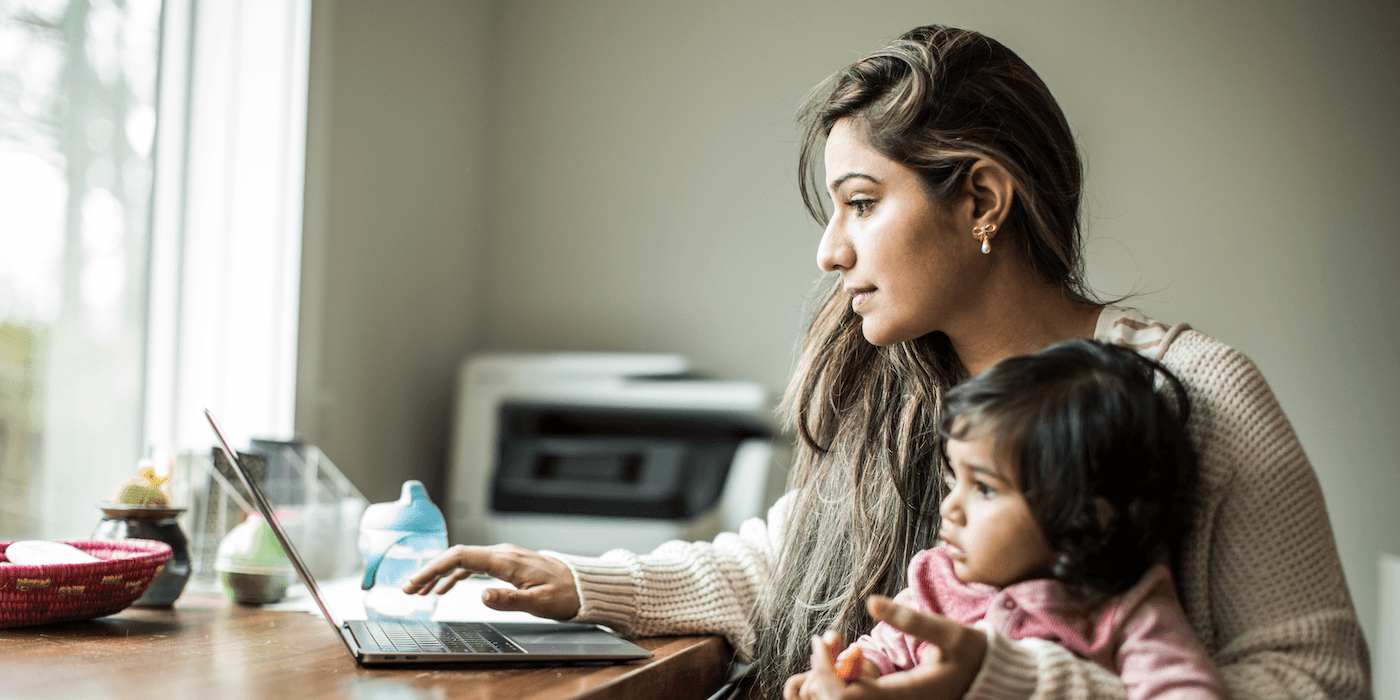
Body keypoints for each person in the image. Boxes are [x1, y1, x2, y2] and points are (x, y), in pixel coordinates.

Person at [404, 25, 1370, 699]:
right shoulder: (890, 387)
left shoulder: (1199, 396)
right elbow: (783, 568)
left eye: (861, 203)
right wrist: (578, 586)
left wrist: (1011, 687)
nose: (830, 252)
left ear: (982, 198)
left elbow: (1316, 681)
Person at [782, 339, 1225, 700]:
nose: (949, 507)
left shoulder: (1126, 611)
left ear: (1086, 519)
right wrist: (850, 674)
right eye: (956, 479)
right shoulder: (938, 583)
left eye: (986, 488)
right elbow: (884, 647)